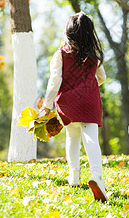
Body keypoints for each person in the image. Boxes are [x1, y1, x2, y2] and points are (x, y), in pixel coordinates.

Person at [41, 12, 108, 203]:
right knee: (91, 139)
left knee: (72, 137)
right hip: (90, 103)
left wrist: (47, 105)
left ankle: (74, 176)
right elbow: (102, 78)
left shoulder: (61, 54)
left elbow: (55, 81)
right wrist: (87, 86)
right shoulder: (94, 56)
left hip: (69, 104)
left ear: (68, 32)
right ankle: (96, 175)